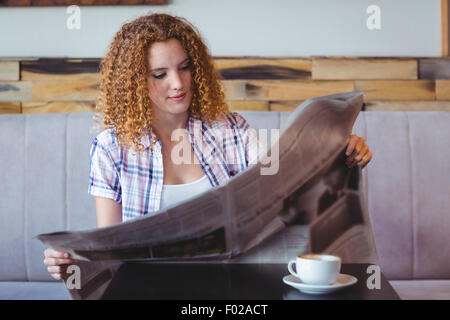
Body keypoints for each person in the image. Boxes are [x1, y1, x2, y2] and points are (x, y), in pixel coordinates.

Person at [43, 13, 373, 281]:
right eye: (160, 74)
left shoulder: (231, 130)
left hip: (227, 287)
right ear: (134, 83)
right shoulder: (111, 149)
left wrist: (340, 154)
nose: (178, 82)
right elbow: (109, 254)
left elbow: (289, 183)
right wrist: (70, 264)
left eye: (185, 67)